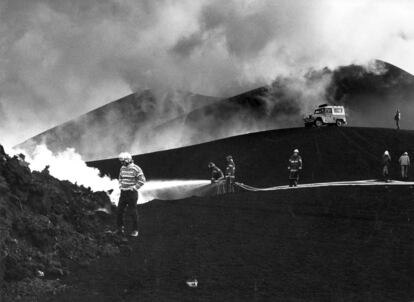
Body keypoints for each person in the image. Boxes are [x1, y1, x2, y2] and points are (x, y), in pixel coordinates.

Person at [117, 152, 145, 237]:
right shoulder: (122, 168)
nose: (122, 163)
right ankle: (119, 229)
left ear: (128, 160)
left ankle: (135, 230)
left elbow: (142, 180)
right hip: (123, 193)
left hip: (132, 194)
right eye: (121, 161)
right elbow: (120, 178)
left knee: (132, 212)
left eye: (123, 161)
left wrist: (134, 188)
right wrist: (120, 185)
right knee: (119, 211)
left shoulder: (136, 169)